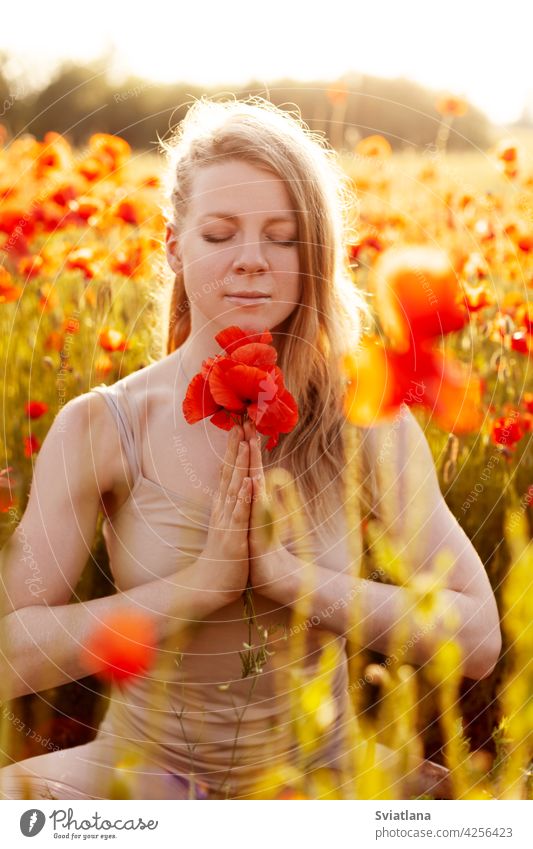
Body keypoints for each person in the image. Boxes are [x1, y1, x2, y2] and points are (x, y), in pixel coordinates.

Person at [0, 97, 501, 801]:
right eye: (219, 234)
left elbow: (477, 638)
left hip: (323, 774)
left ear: (314, 253)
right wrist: (198, 585)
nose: (251, 261)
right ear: (174, 246)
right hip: (142, 774)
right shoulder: (103, 425)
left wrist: (289, 578)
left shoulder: (366, 419)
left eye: (283, 237)